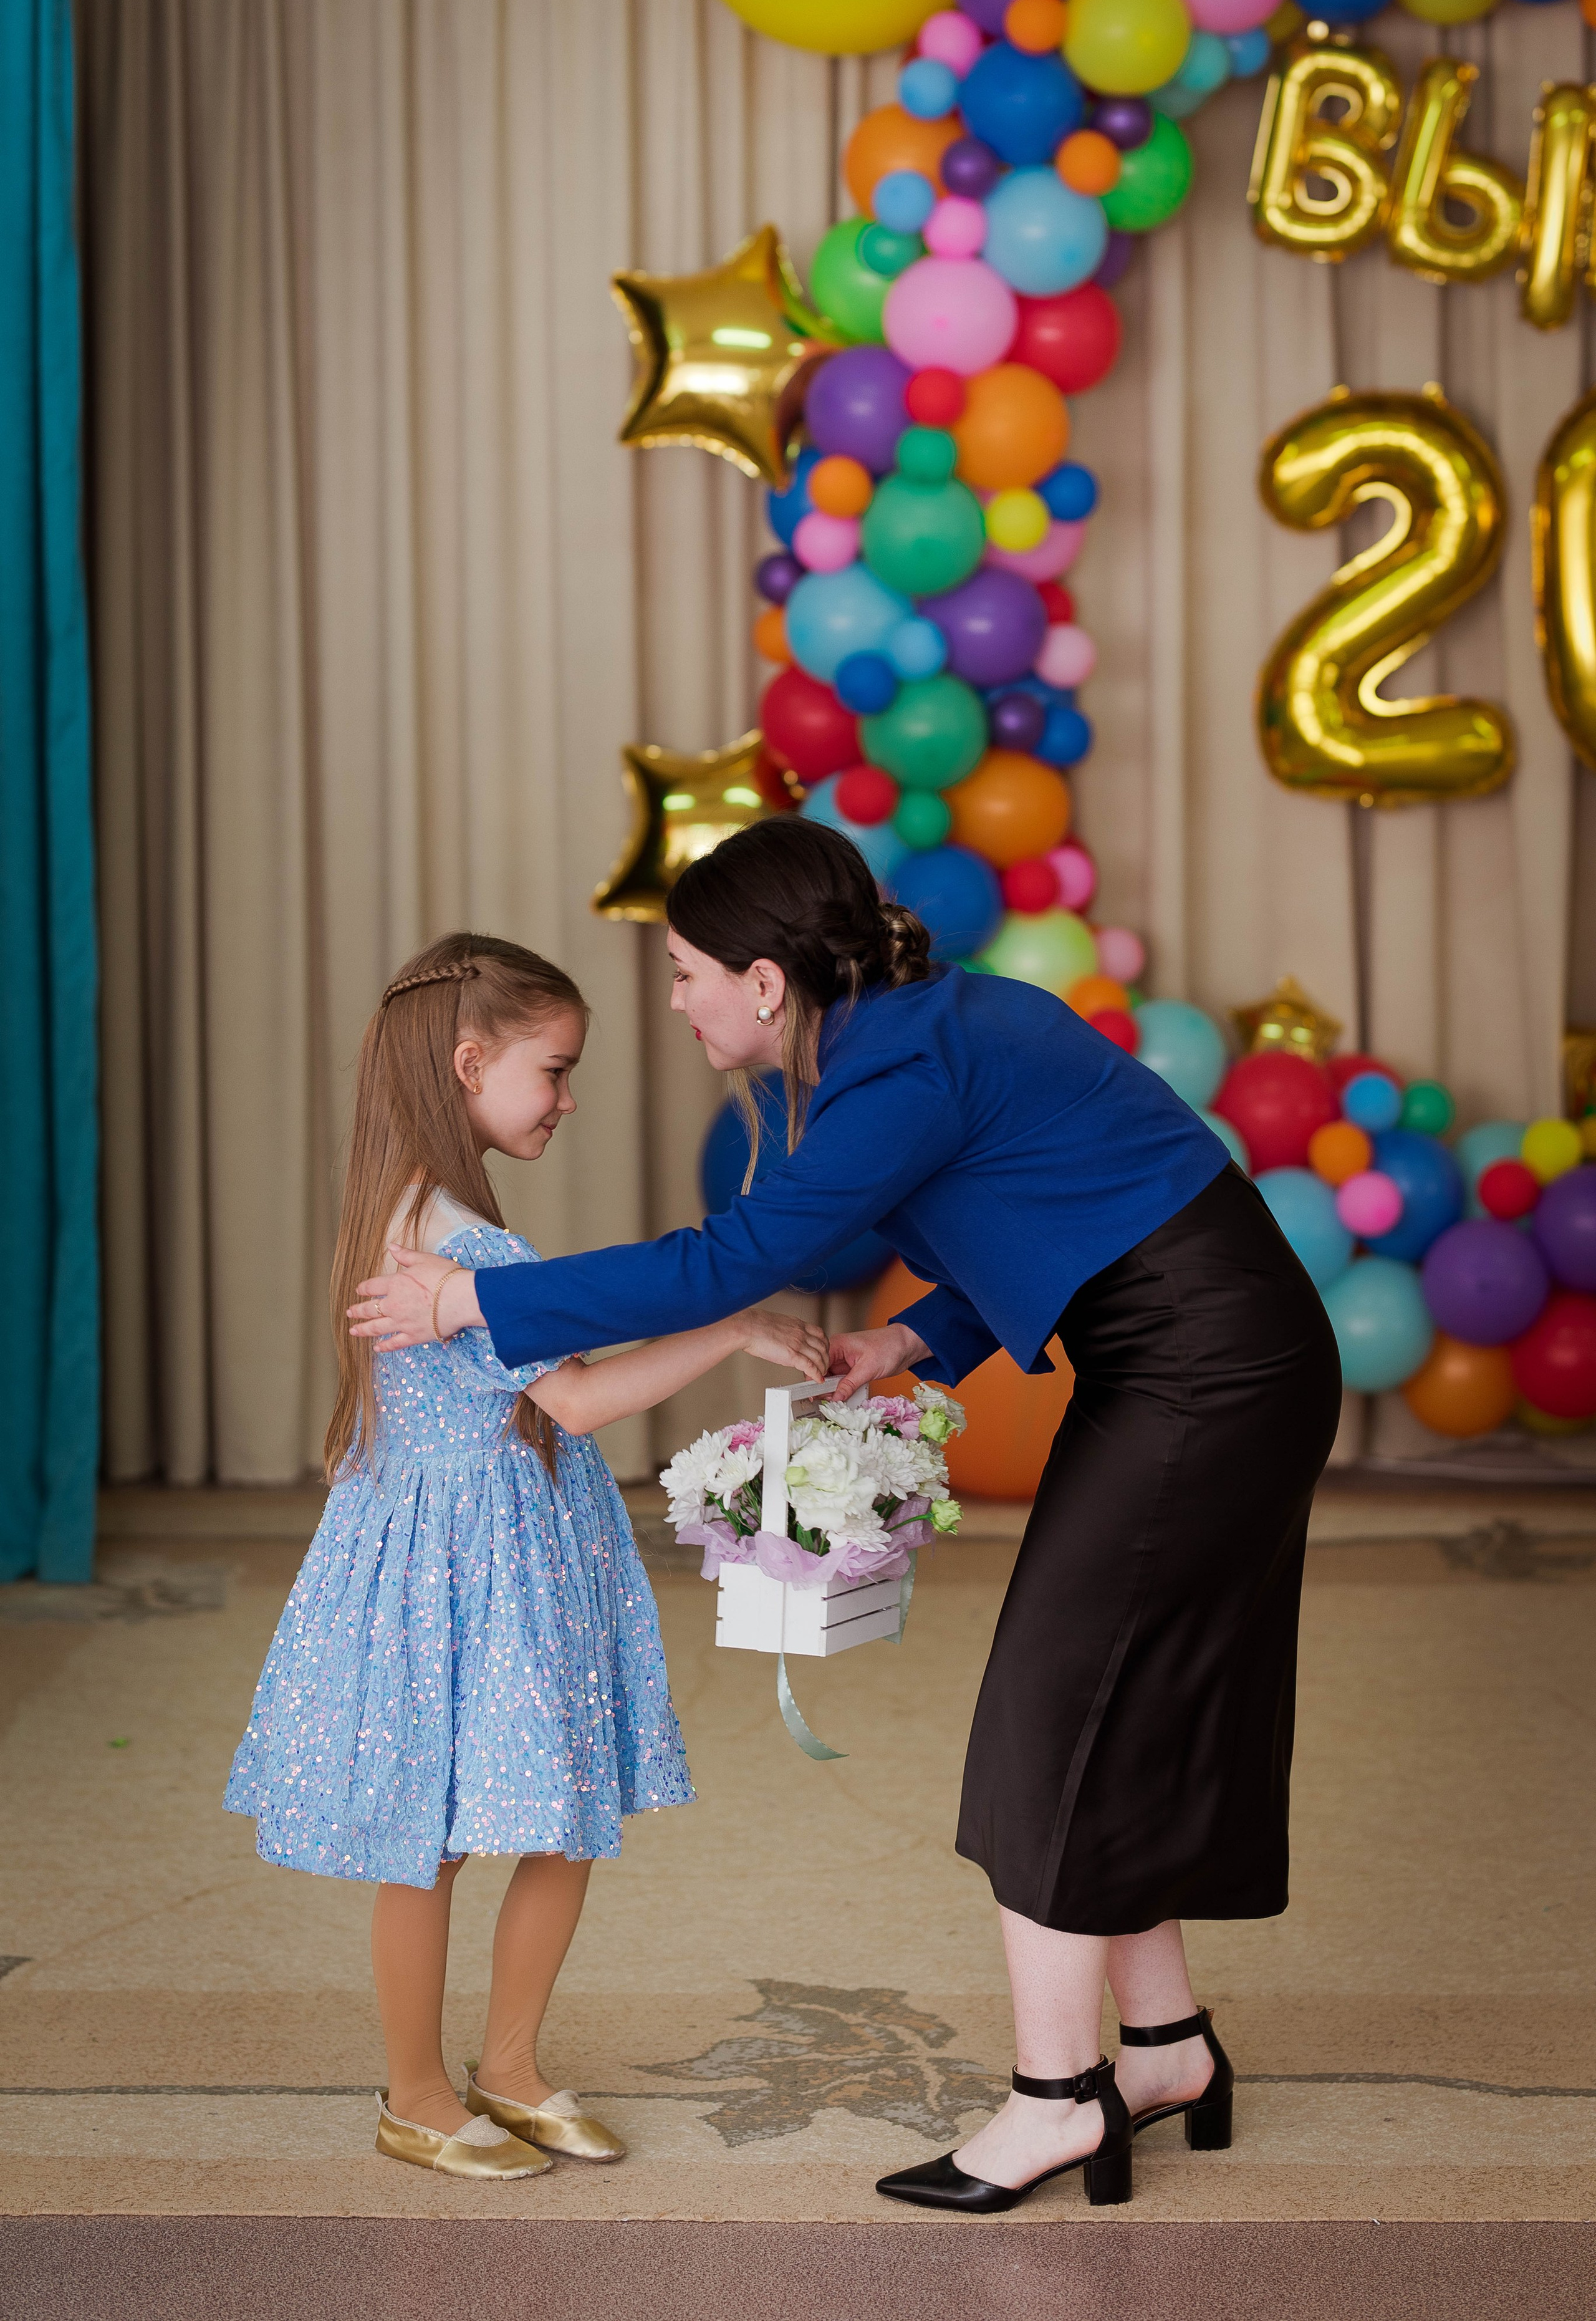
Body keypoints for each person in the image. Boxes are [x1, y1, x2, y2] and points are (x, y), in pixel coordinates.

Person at [350, 826, 1342, 2212]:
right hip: (1191, 1350)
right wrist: (914, 1339)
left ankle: (1058, 2098)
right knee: (1116, 1707)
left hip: (1203, 1367)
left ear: (765, 982)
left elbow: (744, 1255)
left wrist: (477, 1305)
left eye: (689, 972)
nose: (679, 1000)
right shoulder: (911, 1035)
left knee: (1053, 1715)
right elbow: (1068, 1197)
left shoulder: (895, 1065)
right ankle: (1164, 2047)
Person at [226, 932, 829, 2182]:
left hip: (500, 1549)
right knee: (437, 1834)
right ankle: (415, 2091)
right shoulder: (459, 1247)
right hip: (465, 1566)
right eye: (552, 1070)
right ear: (467, 1062)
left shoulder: (409, 1207)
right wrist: (732, 1326)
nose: (564, 1097)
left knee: (563, 1816)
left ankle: (508, 2065)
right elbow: (581, 1402)